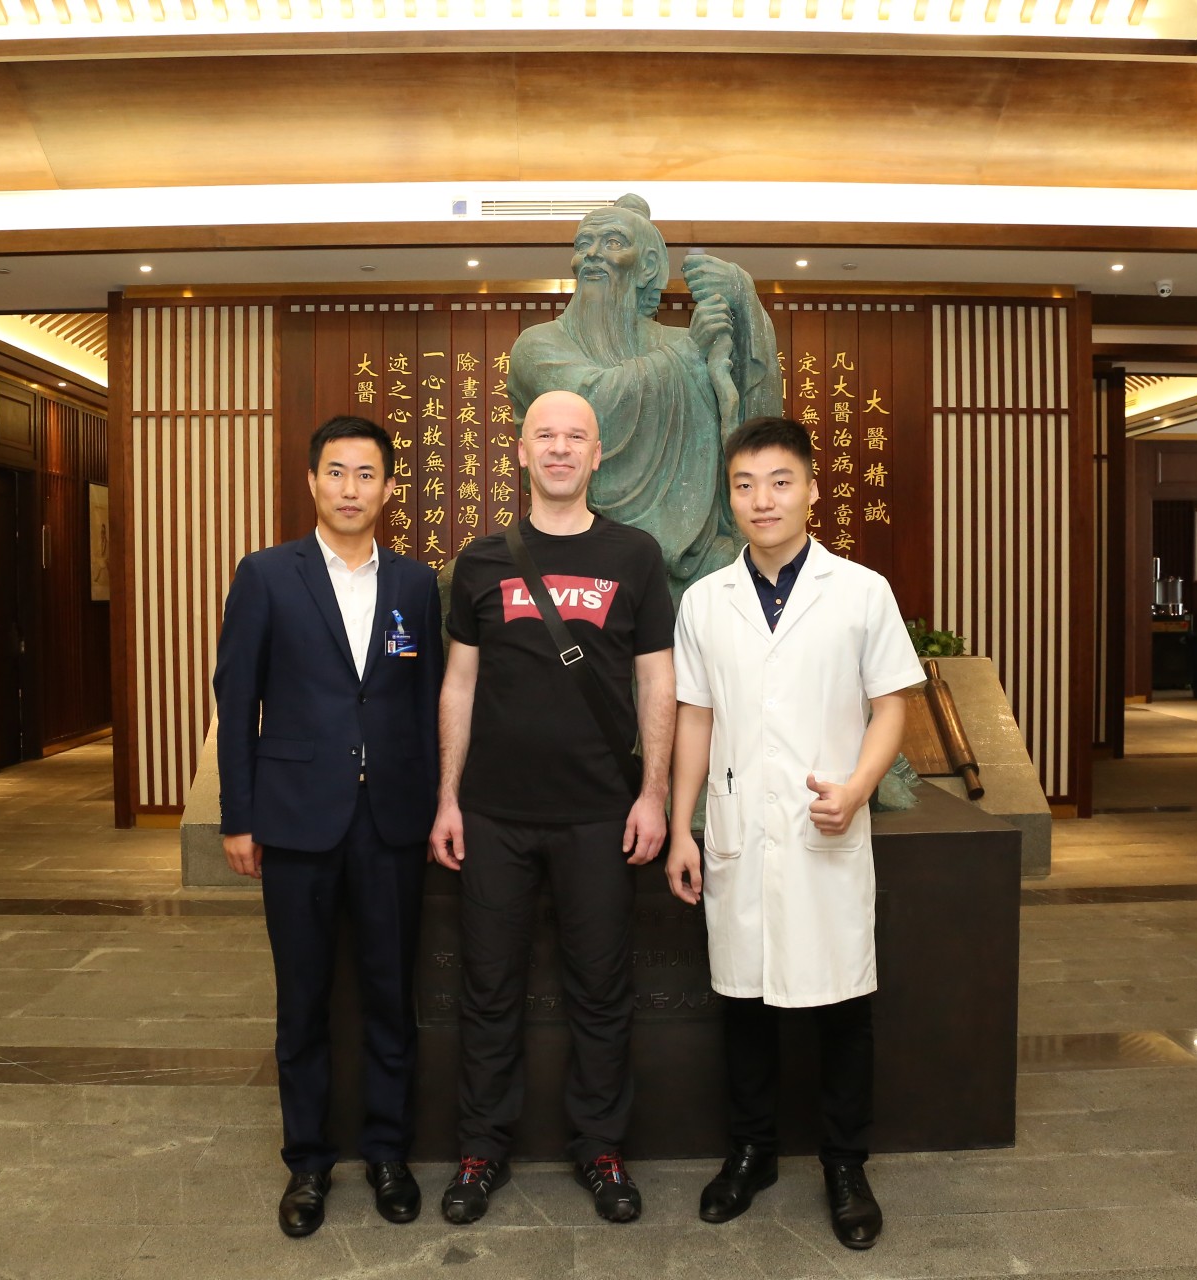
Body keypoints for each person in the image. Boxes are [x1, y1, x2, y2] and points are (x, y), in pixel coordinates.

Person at [665, 416, 922, 1251]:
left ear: (812, 489)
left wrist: (858, 787)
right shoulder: (706, 601)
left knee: (843, 1006)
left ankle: (846, 1166)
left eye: (780, 482)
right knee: (744, 1002)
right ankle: (752, 1153)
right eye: (745, 485)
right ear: (730, 497)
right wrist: (682, 827)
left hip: (826, 829)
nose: (762, 500)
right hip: (739, 828)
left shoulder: (860, 591)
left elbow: (892, 706)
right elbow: (695, 716)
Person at [429, 389, 676, 1225]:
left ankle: (601, 1149)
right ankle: (480, 1150)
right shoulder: (481, 562)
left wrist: (654, 795)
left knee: (600, 991)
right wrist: (448, 798)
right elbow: (459, 684)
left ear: (598, 455)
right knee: (488, 988)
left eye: (577, 437)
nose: (561, 448)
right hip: (493, 815)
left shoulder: (635, 555)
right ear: (522, 451)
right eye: (546, 435)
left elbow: (658, 681)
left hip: (600, 814)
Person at [212, 415, 443, 1239]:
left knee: (390, 997)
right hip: (296, 821)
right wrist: (238, 817)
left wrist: (435, 806)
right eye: (336, 472)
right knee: (302, 1002)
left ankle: (387, 1154)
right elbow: (237, 700)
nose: (351, 488)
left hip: (390, 823)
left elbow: (425, 703)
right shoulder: (267, 575)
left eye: (366, 474)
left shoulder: (415, 584)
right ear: (311, 481)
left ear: (389, 488)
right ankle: (307, 1163)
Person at [506, 194, 780, 596]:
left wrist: (743, 299)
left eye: (613, 243)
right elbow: (592, 404)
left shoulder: (683, 341)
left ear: (648, 265)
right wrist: (688, 355)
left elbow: (756, 429)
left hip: (696, 555)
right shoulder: (539, 345)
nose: (592, 254)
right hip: (578, 545)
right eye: (583, 244)